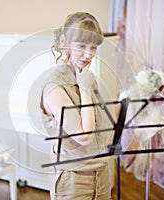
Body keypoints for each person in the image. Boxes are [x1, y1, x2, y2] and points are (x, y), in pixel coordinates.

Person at [40, 12, 112, 200]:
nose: (89, 55)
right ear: (64, 41)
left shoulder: (85, 77)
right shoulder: (55, 86)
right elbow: (84, 136)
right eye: (81, 46)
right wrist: (85, 89)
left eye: (94, 47)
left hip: (101, 171)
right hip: (73, 180)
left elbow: (99, 125)